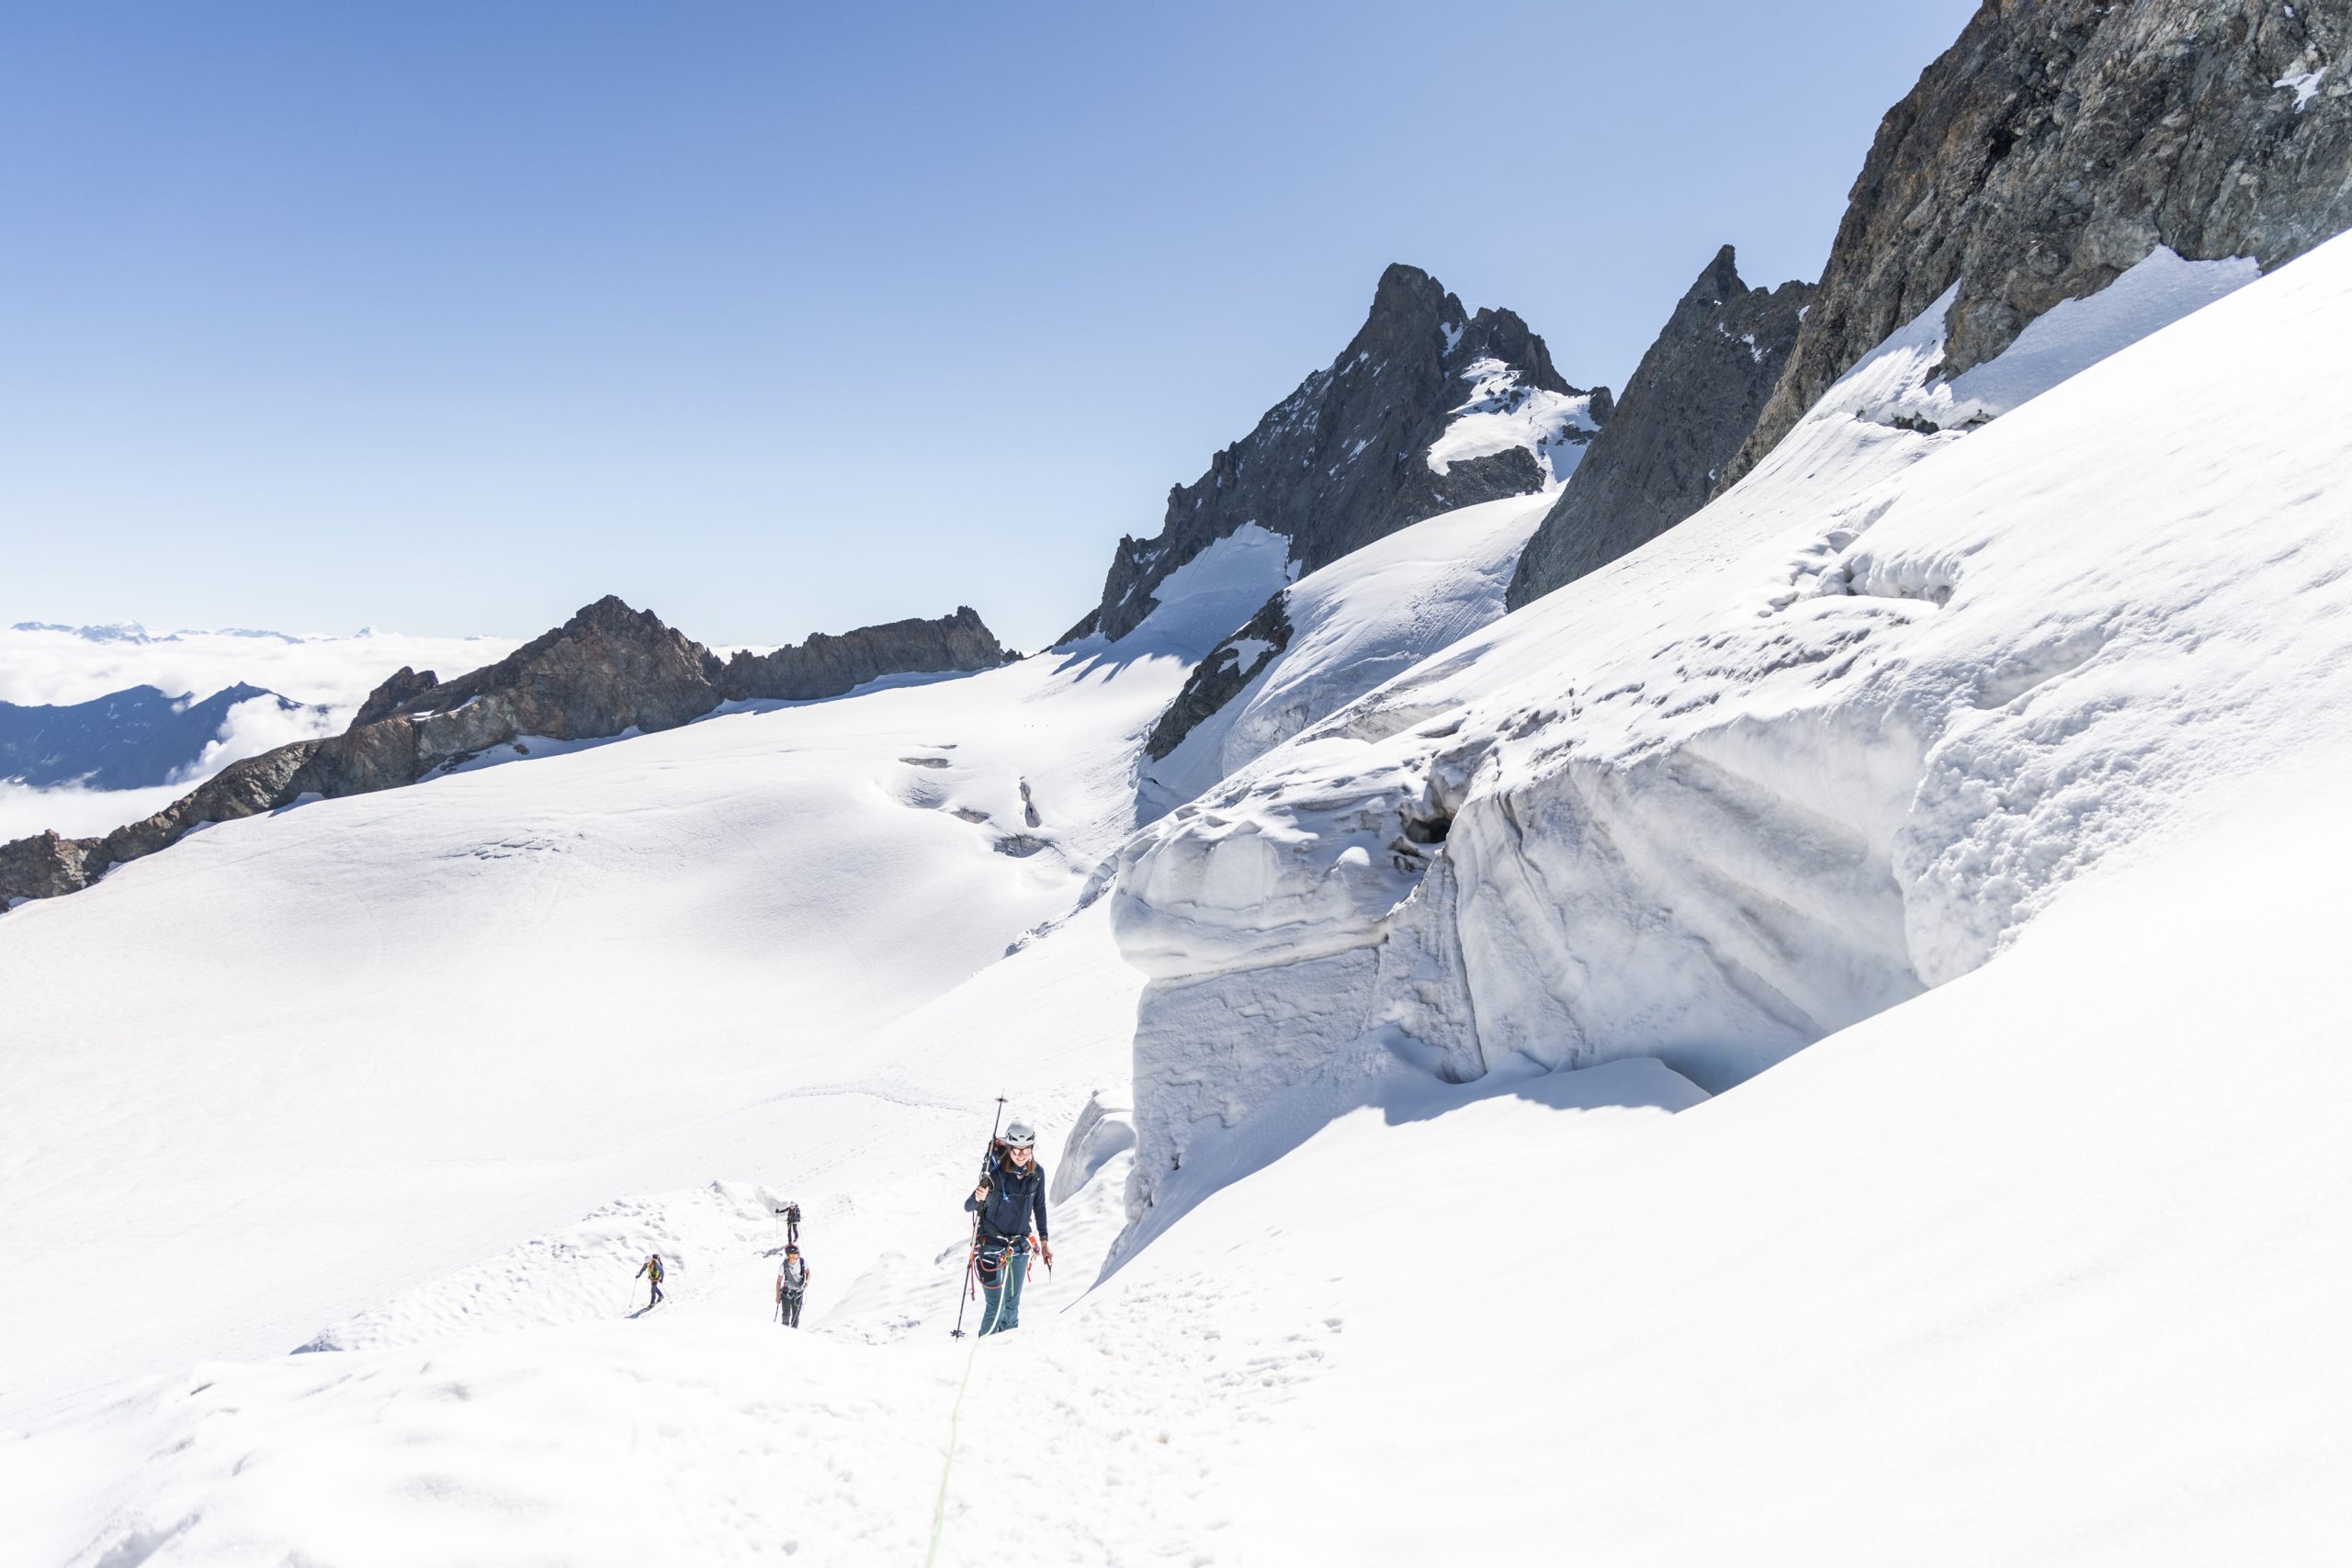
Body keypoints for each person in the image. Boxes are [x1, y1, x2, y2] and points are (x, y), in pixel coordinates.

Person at [963, 1116, 1053, 1336]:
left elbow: (1039, 1207)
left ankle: (1006, 1355)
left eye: (1025, 1150)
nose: (1020, 1155)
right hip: (990, 1247)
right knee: (996, 1308)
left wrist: (1044, 1242)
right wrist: (978, 1196)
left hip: (1020, 1246)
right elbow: (969, 1206)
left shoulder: (1037, 1174)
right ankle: (983, 1352)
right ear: (1009, 1148)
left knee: (1012, 1307)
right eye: (1016, 1150)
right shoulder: (993, 1174)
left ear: (1032, 1147)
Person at [776, 1244, 812, 1328]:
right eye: (791, 1254)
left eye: (795, 1253)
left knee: (796, 1316)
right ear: (788, 1255)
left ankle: (793, 1335)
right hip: (786, 1294)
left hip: (798, 1294)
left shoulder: (803, 1262)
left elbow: (808, 1273)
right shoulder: (783, 1266)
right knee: (786, 1315)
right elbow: (778, 1282)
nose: (793, 1256)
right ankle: (784, 1333)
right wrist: (777, 1296)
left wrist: (807, 1281)